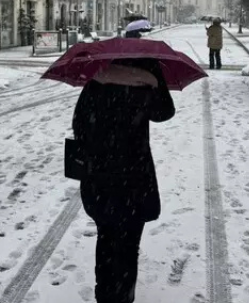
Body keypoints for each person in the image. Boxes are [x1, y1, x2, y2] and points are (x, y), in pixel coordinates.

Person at [72, 59, 175, 303]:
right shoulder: (147, 75)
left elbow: (79, 125)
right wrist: (153, 82)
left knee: (106, 239)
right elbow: (165, 112)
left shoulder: (98, 76)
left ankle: (105, 295)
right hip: (134, 177)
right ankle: (123, 295)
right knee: (129, 244)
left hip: (101, 177)